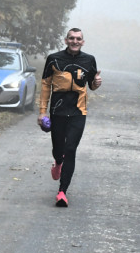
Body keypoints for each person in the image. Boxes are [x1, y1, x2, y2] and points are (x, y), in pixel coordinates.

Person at [38, 28, 102, 207]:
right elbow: (45, 86)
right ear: (66, 40)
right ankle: (58, 161)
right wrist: (42, 112)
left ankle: (62, 192)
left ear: (83, 42)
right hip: (58, 112)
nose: (75, 41)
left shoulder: (89, 60)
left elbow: (91, 84)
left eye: (78, 39)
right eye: (71, 38)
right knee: (59, 149)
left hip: (78, 112)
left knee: (71, 149)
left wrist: (96, 84)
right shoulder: (54, 59)